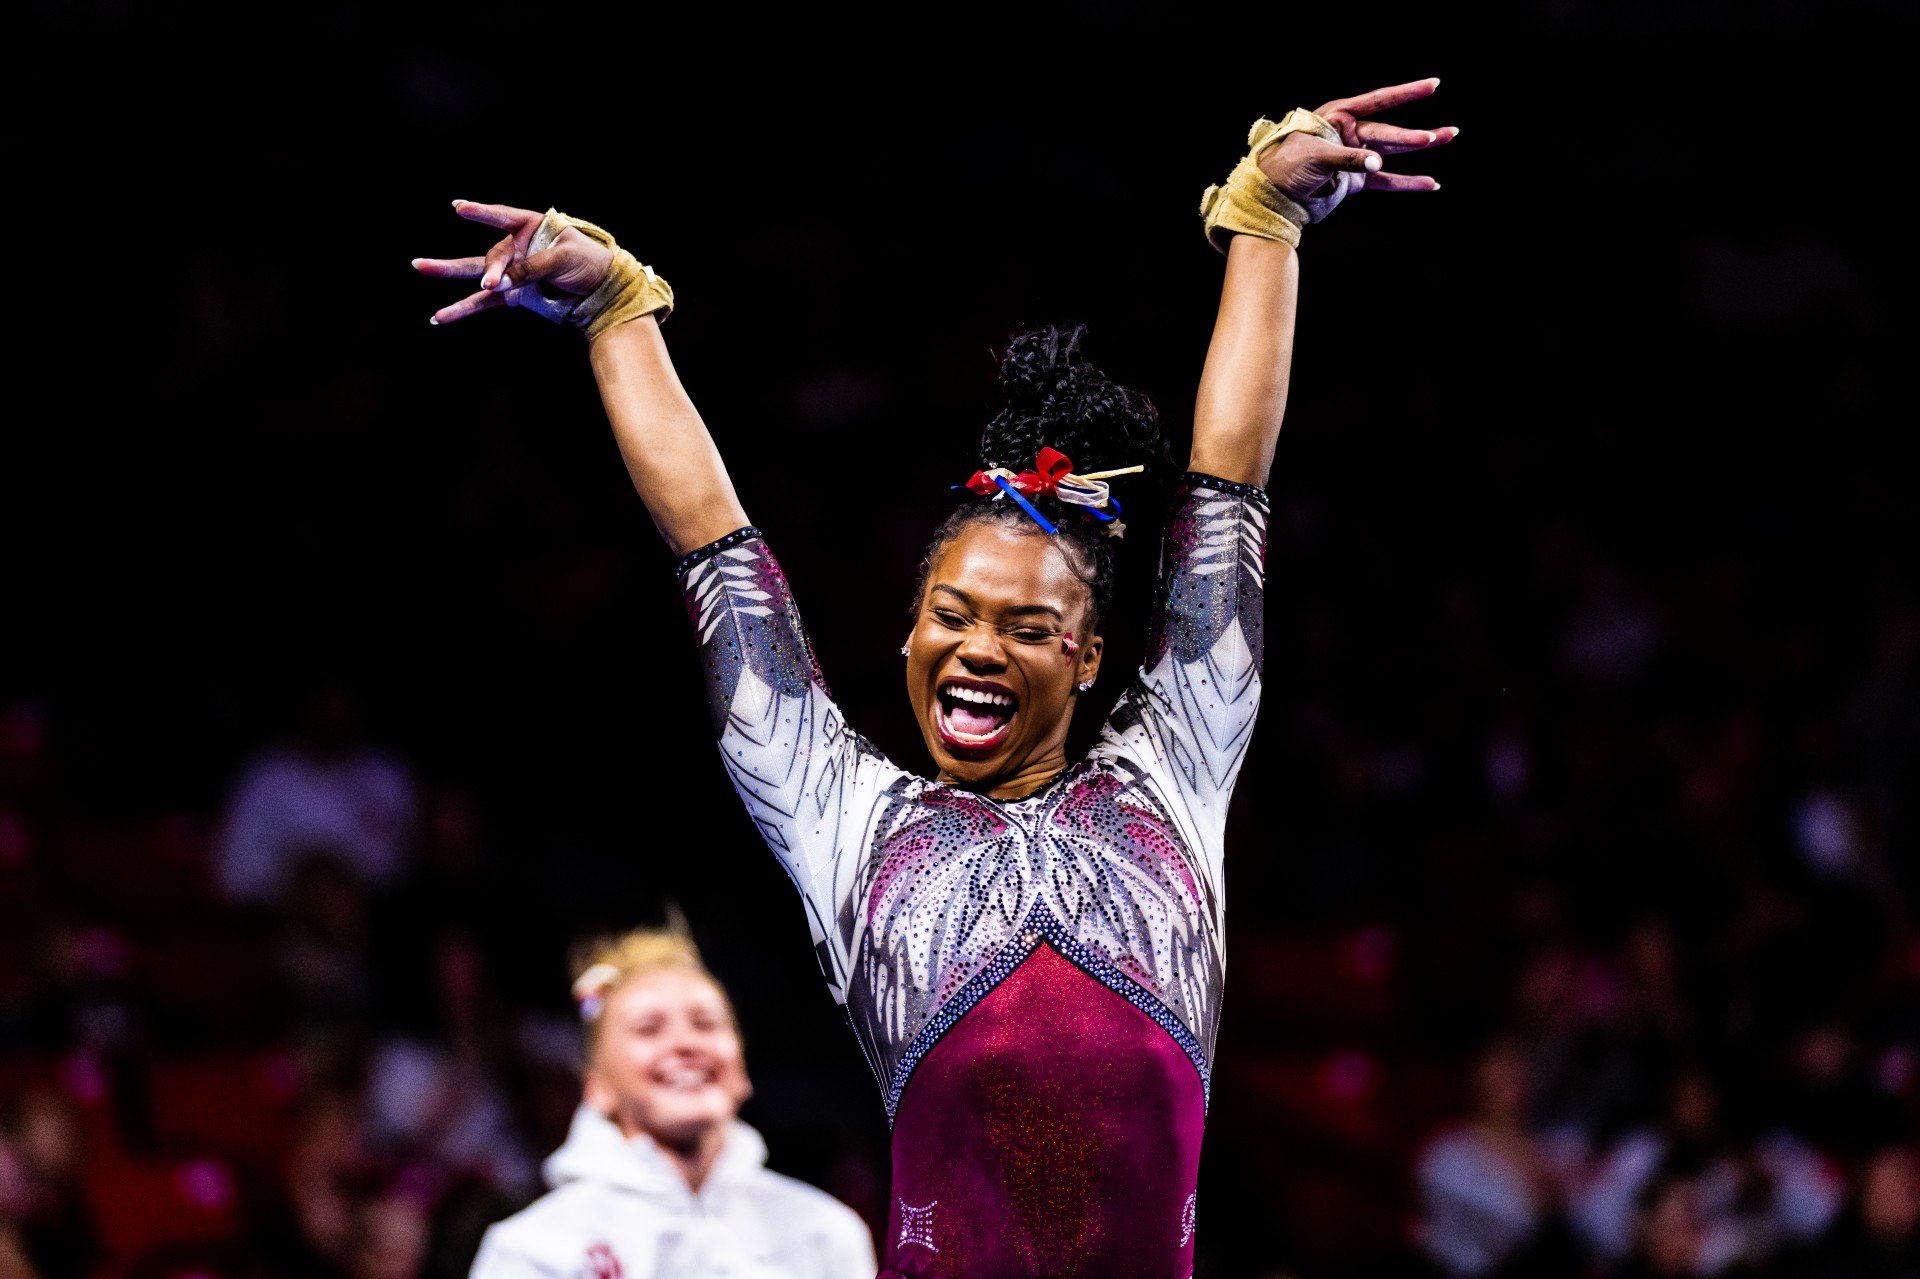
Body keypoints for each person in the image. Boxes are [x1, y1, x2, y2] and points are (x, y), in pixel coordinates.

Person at [418, 79, 1453, 1279]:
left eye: (1025, 626)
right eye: (950, 616)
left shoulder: (1175, 771)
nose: (977, 647)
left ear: (1089, 657)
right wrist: (618, 318)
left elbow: (1228, 492)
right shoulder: (850, 823)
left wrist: (1266, 227)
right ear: (906, 639)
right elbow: (719, 552)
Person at [468, 930, 875, 1279]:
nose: (685, 1044)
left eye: (706, 1023)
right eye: (649, 1028)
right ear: (597, 1087)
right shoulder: (532, 1250)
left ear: (741, 1073)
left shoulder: (825, 1233)